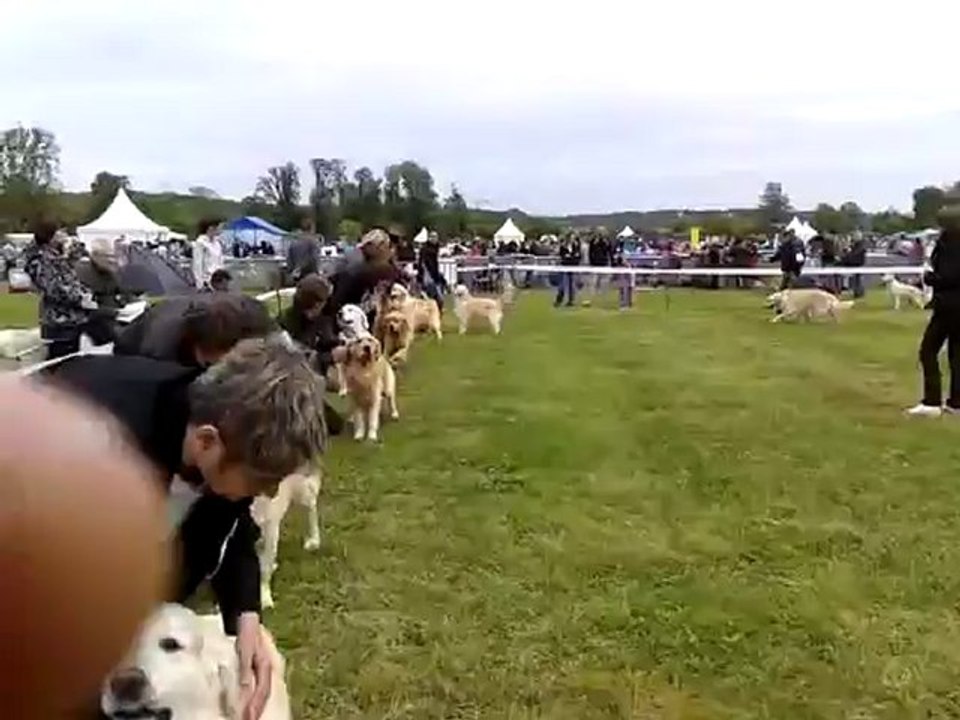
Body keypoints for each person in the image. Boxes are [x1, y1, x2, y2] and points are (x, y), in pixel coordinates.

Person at [42, 337, 327, 719]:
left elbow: (233, 523)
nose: (273, 492)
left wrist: (246, 619)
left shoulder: (223, 436)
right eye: (264, 481)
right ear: (207, 442)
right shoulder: (81, 438)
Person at [907, 202, 960, 417]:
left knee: (928, 350)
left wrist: (930, 278)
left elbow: (950, 276)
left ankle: (932, 401)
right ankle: (956, 402)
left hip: (948, 304)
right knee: (957, 354)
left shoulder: (950, 244)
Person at [24, 220, 98, 359]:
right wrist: (81, 299)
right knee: (60, 364)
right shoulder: (43, 260)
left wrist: (84, 291)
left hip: (70, 319)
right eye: (60, 231)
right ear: (51, 236)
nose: (64, 234)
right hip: (59, 321)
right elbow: (54, 289)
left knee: (71, 360)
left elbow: (70, 279)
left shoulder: (55, 256)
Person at [75, 237, 134, 345]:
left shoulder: (111, 270)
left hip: (115, 314)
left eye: (113, 256)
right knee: (119, 335)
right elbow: (87, 306)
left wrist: (131, 302)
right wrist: (115, 312)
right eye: (107, 256)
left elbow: (124, 292)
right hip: (93, 319)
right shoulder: (83, 272)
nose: (112, 260)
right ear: (95, 256)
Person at [417, 231, 448, 311]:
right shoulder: (425, 249)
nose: (434, 239)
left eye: (435, 237)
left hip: (434, 273)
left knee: (436, 294)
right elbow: (422, 263)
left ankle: (437, 308)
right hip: (428, 274)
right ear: (429, 238)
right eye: (432, 237)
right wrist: (423, 273)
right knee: (433, 294)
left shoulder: (435, 247)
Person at [192, 218, 225, 290]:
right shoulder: (201, 243)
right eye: (219, 227)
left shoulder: (217, 243)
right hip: (207, 281)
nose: (221, 230)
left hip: (219, 280)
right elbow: (197, 264)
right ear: (211, 228)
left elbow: (220, 261)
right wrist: (200, 283)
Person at [554, 236, 581, 307]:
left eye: (573, 238)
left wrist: (572, 257)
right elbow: (562, 256)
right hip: (564, 267)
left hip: (573, 267)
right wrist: (567, 257)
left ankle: (571, 301)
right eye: (571, 238)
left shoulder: (576, 247)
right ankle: (559, 300)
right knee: (562, 285)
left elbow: (578, 256)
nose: (572, 240)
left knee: (572, 285)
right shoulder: (563, 247)